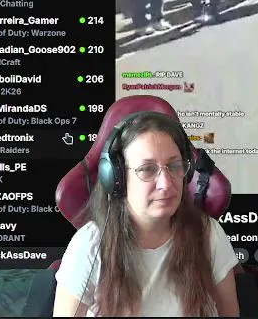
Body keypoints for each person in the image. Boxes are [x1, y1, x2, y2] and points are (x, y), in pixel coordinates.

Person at [53, 112, 239, 316]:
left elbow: (230, 314)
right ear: (116, 177)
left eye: (174, 166)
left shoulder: (208, 233)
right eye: (147, 169)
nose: (166, 184)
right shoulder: (89, 245)